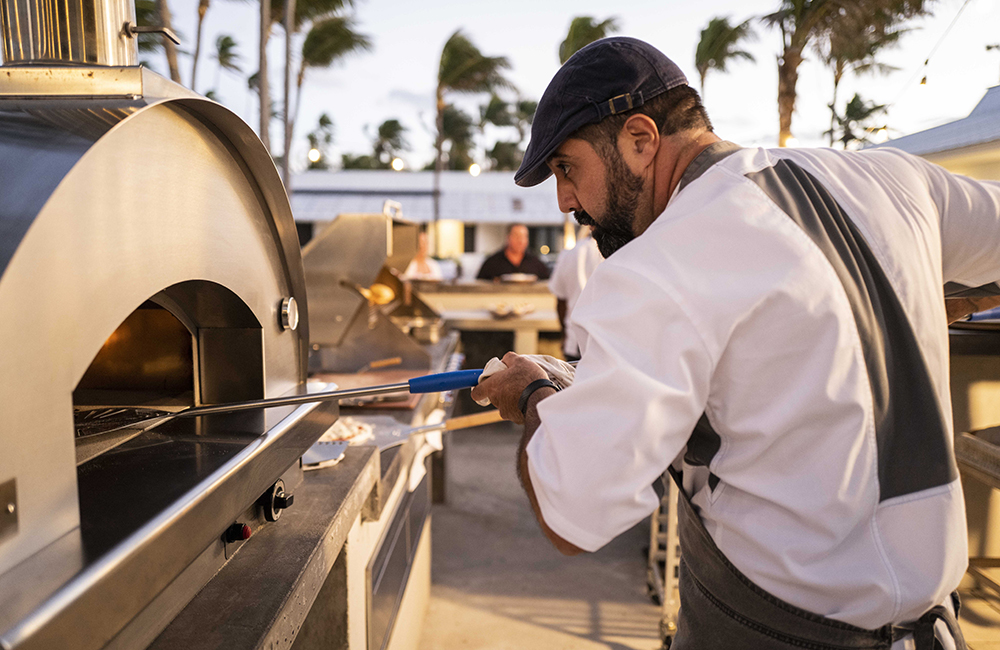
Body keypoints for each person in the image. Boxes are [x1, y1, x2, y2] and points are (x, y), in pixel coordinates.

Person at [471, 36, 1000, 650]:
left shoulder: (652, 268)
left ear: (640, 139)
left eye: (567, 168)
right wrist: (897, 304)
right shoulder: (886, 177)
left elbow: (572, 510)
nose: (564, 201)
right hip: (935, 630)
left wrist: (534, 389)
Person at [548, 226, 602, 360]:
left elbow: (561, 301)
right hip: (603, 341)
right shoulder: (614, 254)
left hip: (574, 339)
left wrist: (564, 334)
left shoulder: (568, 254)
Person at [476, 223, 551, 280]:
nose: (521, 241)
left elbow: (547, 284)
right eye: (517, 236)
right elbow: (478, 286)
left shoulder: (536, 263)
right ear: (508, 238)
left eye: (524, 237)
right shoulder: (492, 263)